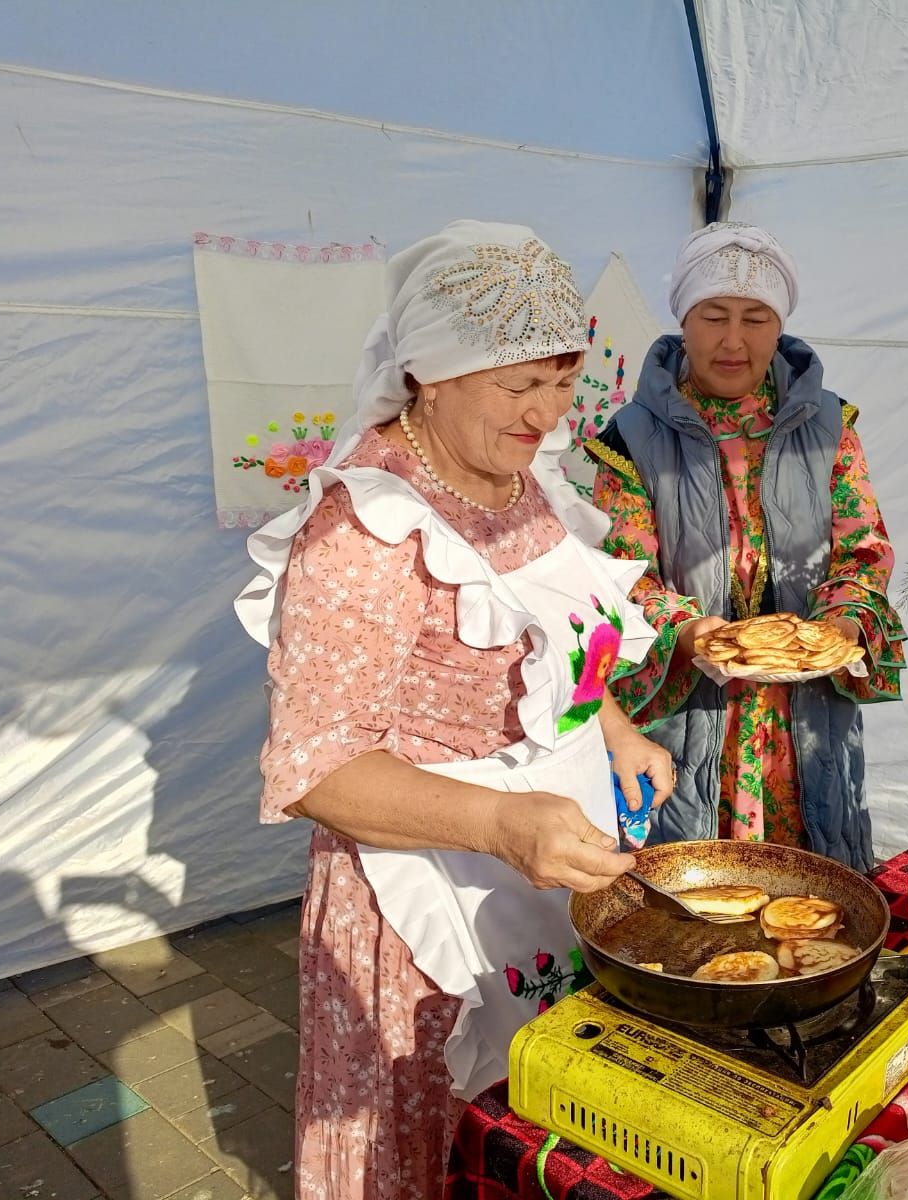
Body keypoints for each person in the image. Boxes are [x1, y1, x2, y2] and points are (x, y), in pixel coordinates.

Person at [234, 221, 672, 1199]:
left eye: (563, 380)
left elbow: (564, 632)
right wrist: (501, 821)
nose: (550, 413)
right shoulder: (362, 530)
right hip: (419, 893)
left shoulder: (525, 481)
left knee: (541, 1118)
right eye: (522, 384)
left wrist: (612, 725)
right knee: (434, 1134)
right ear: (432, 372)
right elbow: (314, 769)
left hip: (542, 859)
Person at [586, 222, 906, 871]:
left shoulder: (828, 427)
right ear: (684, 321)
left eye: (755, 318)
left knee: (807, 889)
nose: (733, 341)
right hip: (693, 706)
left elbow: (861, 548)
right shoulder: (630, 438)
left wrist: (842, 622)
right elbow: (620, 575)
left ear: (779, 324)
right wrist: (688, 631)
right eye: (713, 317)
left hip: (804, 709)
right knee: (691, 892)